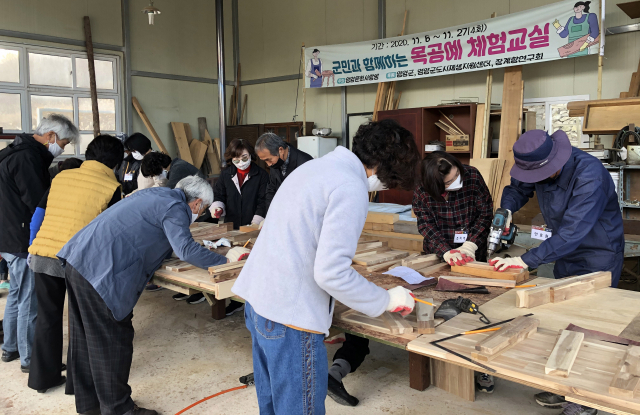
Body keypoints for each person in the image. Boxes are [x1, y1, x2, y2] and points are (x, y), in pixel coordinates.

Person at [233, 119, 421, 414]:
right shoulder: (350, 186)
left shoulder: (315, 168)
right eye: (390, 181)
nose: (384, 187)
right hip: (289, 316)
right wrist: (385, 299)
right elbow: (331, 272)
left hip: (259, 302)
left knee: (273, 405)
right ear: (384, 167)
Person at [57, 176, 246, 415]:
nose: (201, 212)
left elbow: (150, 234)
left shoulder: (156, 195)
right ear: (197, 204)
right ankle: (119, 409)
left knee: (86, 335)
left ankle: (89, 404)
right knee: (112, 340)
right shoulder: (176, 207)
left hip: (80, 261)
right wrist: (223, 261)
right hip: (101, 272)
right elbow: (185, 249)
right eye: (203, 208)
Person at [491, 129, 624, 415]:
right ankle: (566, 386)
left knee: (593, 326)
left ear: (555, 161)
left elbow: (573, 232)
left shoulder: (590, 175)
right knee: (566, 320)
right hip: (564, 249)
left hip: (597, 252)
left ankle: (584, 401)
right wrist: (507, 209)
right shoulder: (536, 164)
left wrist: (526, 260)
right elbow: (517, 188)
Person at [27, 135, 124, 394]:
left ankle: (42, 379)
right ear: (116, 162)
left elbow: (39, 214)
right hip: (78, 260)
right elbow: (109, 232)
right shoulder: (112, 186)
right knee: (81, 321)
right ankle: (77, 385)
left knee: (47, 318)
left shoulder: (62, 176)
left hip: (44, 253)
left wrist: (32, 247)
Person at [412, 151, 495, 393]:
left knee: (475, 308)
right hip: (438, 254)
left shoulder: (472, 176)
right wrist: (445, 251)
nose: (456, 182)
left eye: (456, 175)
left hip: (471, 252)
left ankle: (480, 368)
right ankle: (441, 361)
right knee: (439, 306)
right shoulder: (422, 189)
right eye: (449, 182)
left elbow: (485, 213)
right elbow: (425, 223)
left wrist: (470, 244)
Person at [0, 114, 77, 372]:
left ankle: (10, 347)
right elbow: (38, 202)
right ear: (50, 136)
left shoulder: (14, 151)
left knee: (17, 295)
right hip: (21, 239)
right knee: (29, 301)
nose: (62, 149)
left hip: (7, 236)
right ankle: (30, 359)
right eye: (63, 143)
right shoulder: (27, 158)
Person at [204, 139, 268, 315]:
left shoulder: (261, 175)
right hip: (231, 225)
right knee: (233, 260)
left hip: (252, 225)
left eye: (244, 157)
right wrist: (217, 207)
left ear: (251, 155)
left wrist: (255, 223)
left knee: (252, 261)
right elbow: (220, 195)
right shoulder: (226, 174)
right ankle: (234, 298)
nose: (241, 162)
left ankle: (253, 300)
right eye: (236, 160)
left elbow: (263, 201)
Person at [255, 132, 313, 212]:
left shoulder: (305, 163)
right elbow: (271, 190)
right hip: (281, 213)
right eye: (265, 161)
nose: (268, 164)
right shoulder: (275, 161)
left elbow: (309, 196)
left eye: (269, 159)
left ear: (281, 150)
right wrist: (271, 214)